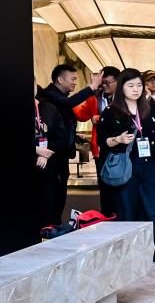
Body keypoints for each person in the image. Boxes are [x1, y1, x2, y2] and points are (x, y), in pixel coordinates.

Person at [97, 69, 155, 242]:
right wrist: (118, 139)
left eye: (139, 85)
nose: (136, 89)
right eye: (130, 86)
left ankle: (151, 250)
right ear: (121, 87)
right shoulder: (111, 111)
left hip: (150, 165)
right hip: (126, 165)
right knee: (127, 212)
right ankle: (129, 252)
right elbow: (102, 141)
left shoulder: (151, 108)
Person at [39, 63, 103, 221]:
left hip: (62, 156)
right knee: (51, 199)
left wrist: (74, 136)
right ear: (60, 79)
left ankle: (55, 226)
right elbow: (68, 104)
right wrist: (92, 87)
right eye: (72, 79)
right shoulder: (50, 94)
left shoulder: (61, 98)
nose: (75, 82)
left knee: (59, 198)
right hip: (51, 157)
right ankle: (49, 228)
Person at [73, 66, 119, 215]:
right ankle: (106, 215)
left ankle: (122, 214)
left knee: (122, 183)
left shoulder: (125, 97)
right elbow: (81, 115)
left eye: (107, 83)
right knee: (104, 184)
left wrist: (101, 118)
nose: (103, 86)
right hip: (100, 148)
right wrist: (66, 103)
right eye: (102, 83)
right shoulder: (94, 97)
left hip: (122, 147)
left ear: (118, 81)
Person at [34, 79, 69, 231]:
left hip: (49, 165)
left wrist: (45, 153)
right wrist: (36, 150)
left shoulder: (49, 108)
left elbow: (61, 135)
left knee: (49, 206)